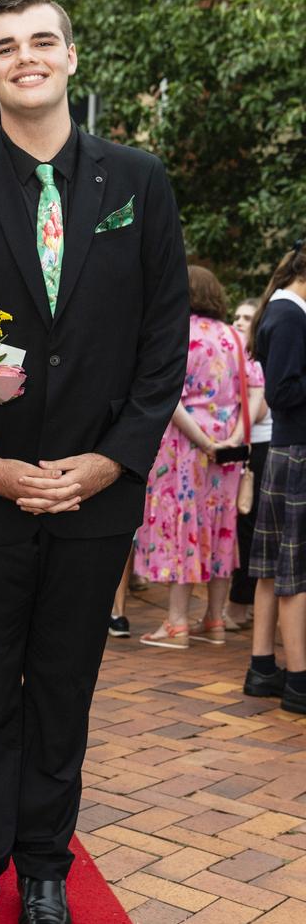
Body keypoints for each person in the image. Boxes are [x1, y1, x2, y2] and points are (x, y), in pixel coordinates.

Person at [0, 0, 189, 924]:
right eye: (4, 47)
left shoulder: (137, 182)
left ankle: (43, 866)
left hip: (98, 488)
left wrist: (113, 459)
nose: (25, 58)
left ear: (70, 58)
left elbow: (163, 341)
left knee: (64, 685)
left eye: (41, 41)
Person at [136, 267, 264, 648]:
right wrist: (236, 435)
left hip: (187, 443)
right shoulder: (233, 337)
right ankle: (215, 620)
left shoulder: (179, 334)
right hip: (230, 442)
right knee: (221, 526)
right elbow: (257, 388)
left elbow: (168, 396)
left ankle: (176, 622)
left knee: (184, 526)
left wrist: (204, 441)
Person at [245, 240, 306, 713]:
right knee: (294, 571)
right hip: (297, 450)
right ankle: (298, 681)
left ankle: (263, 668)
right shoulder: (289, 315)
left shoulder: (284, 311)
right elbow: (284, 390)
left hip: (289, 450)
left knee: (273, 568)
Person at [225, 297, 269, 630]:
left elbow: (263, 409)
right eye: (237, 316)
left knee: (249, 525)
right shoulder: (234, 355)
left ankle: (241, 605)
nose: (239, 322)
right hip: (238, 445)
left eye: (247, 317)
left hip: (261, 446)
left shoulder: (261, 357)